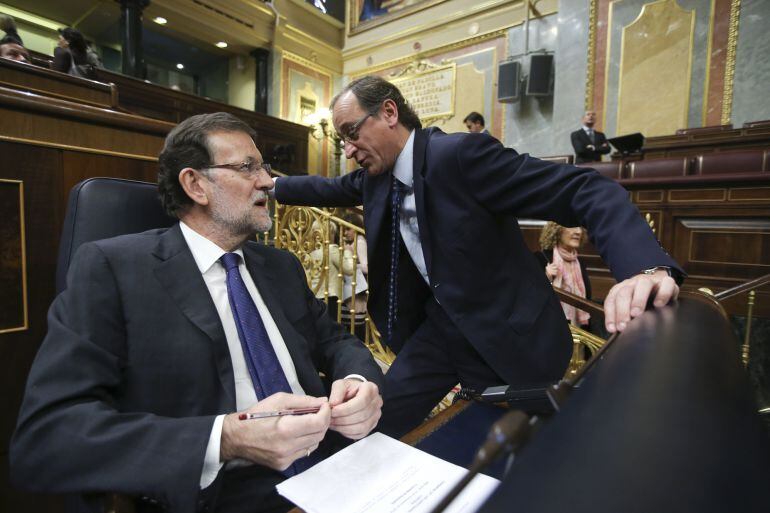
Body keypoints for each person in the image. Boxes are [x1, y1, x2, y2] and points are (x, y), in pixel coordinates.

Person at [10, 112, 384, 513]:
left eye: (264, 167)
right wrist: (225, 438)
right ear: (195, 184)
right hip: (221, 492)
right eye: (247, 167)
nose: (267, 181)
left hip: (333, 467)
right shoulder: (111, 270)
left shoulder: (280, 266)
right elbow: (46, 439)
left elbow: (337, 341)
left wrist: (358, 380)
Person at [272, 75, 683, 438]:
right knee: (375, 423)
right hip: (439, 333)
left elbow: (585, 190)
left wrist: (643, 267)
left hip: (514, 335)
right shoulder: (375, 179)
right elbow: (325, 188)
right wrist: (269, 186)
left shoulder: (462, 156)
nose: (347, 149)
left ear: (389, 112)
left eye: (351, 133)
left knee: (529, 451)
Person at [534, 223, 592, 331]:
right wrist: (547, 278)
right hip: (552, 327)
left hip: (579, 327)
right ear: (557, 230)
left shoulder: (580, 262)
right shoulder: (541, 258)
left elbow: (587, 298)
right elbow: (532, 297)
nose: (578, 231)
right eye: (572, 225)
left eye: (580, 227)